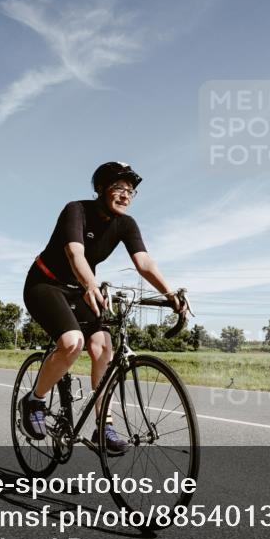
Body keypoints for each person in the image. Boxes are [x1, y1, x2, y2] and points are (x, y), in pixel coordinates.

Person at [21, 161, 184, 453]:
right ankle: (34, 400)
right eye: (118, 188)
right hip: (45, 284)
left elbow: (144, 262)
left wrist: (170, 293)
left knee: (103, 347)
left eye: (130, 191)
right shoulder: (76, 210)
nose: (125, 195)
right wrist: (91, 285)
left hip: (80, 289)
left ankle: (104, 426)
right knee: (72, 343)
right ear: (100, 189)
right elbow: (75, 253)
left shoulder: (126, 224)